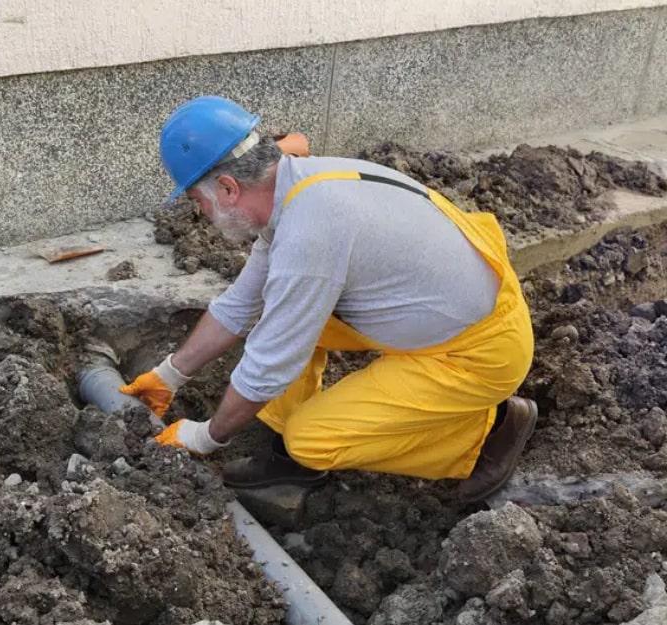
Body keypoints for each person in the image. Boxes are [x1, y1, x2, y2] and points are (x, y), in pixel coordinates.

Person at [121, 95, 537, 502]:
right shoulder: (294, 185)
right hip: (442, 306)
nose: (202, 215)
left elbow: (268, 367)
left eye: (199, 202)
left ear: (228, 188)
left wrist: (206, 436)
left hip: (478, 353)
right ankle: (281, 447)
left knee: (311, 440)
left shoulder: (310, 234)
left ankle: (490, 430)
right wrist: (169, 375)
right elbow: (241, 304)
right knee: (288, 316)